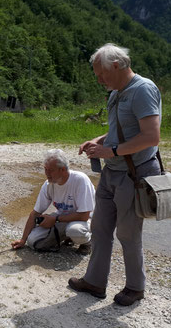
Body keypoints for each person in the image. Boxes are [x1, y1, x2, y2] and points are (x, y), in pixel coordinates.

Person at [68, 43, 162, 306]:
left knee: (128, 233)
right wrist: (98, 141)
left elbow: (151, 136)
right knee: (99, 228)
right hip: (112, 173)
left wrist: (112, 152)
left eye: (101, 75)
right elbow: (118, 129)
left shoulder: (143, 90)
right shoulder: (115, 92)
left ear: (117, 66)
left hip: (134, 174)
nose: (99, 80)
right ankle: (95, 282)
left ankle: (135, 287)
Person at [11, 149, 95, 255]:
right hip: (62, 219)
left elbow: (84, 215)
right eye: (45, 169)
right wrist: (23, 240)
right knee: (33, 241)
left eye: (50, 170)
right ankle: (67, 237)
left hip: (86, 220)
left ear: (63, 169)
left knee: (75, 231)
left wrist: (55, 219)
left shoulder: (80, 180)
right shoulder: (48, 185)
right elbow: (35, 213)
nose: (47, 173)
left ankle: (87, 242)